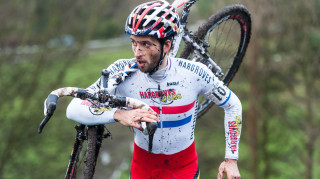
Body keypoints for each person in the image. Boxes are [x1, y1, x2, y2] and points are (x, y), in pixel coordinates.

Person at [66, 1, 242, 179]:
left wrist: (231, 159)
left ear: (166, 46)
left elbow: (233, 105)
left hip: (184, 169)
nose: (137, 52)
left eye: (146, 44)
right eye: (134, 42)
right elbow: (73, 108)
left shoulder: (194, 73)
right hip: (143, 168)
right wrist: (119, 114)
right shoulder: (122, 71)